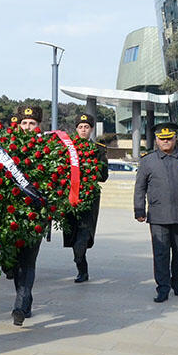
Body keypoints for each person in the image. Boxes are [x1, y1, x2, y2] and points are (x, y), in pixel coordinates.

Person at [133, 122, 178, 303]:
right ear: (157, 140)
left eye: (169, 138)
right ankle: (163, 288)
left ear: (175, 138)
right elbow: (139, 188)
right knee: (160, 253)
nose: (166, 141)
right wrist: (139, 210)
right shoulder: (148, 161)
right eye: (162, 139)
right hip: (158, 215)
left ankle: (177, 283)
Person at [62, 113, 109, 282]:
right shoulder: (67, 148)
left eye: (86, 127)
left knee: (82, 240)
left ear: (91, 129)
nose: (83, 130)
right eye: (80, 127)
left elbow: (104, 176)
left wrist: (94, 169)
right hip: (70, 200)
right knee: (73, 236)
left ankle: (82, 269)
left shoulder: (98, 149)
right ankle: (81, 266)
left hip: (88, 201)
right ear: (76, 129)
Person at [10, 104, 45, 325]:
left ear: (39, 126)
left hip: (36, 216)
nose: (28, 127)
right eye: (24, 123)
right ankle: (25, 300)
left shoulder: (48, 149)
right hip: (11, 217)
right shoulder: (8, 150)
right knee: (16, 263)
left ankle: (20, 306)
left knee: (29, 260)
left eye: (32, 123)